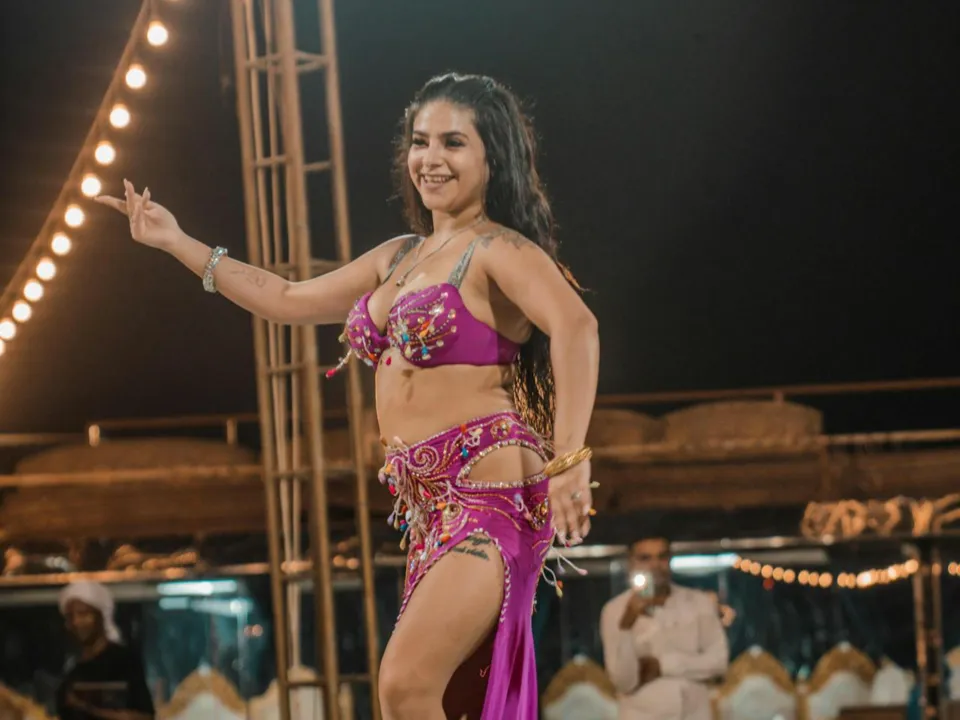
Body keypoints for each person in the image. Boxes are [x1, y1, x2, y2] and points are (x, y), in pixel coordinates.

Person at [97, 72, 600, 720]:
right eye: (421, 141)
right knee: (442, 697)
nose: (431, 158)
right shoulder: (399, 257)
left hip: (490, 497)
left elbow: (577, 327)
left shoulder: (497, 250)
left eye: (453, 142)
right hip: (430, 512)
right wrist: (175, 241)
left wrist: (569, 459)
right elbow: (286, 298)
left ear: (492, 158)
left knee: (404, 685)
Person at [599, 538, 728, 720]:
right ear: (631, 563)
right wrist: (627, 624)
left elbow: (719, 662)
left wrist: (661, 666)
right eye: (645, 558)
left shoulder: (699, 602)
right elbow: (624, 682)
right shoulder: (615, 610)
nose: (655, 565)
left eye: (662, 557)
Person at [55, 582, 155, 720]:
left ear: (101, 616)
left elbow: (144, 716)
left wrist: (87, 709)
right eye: (70, 616)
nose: (76, 622)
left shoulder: (124, 661)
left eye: (83, 614)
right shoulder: (72, 670)